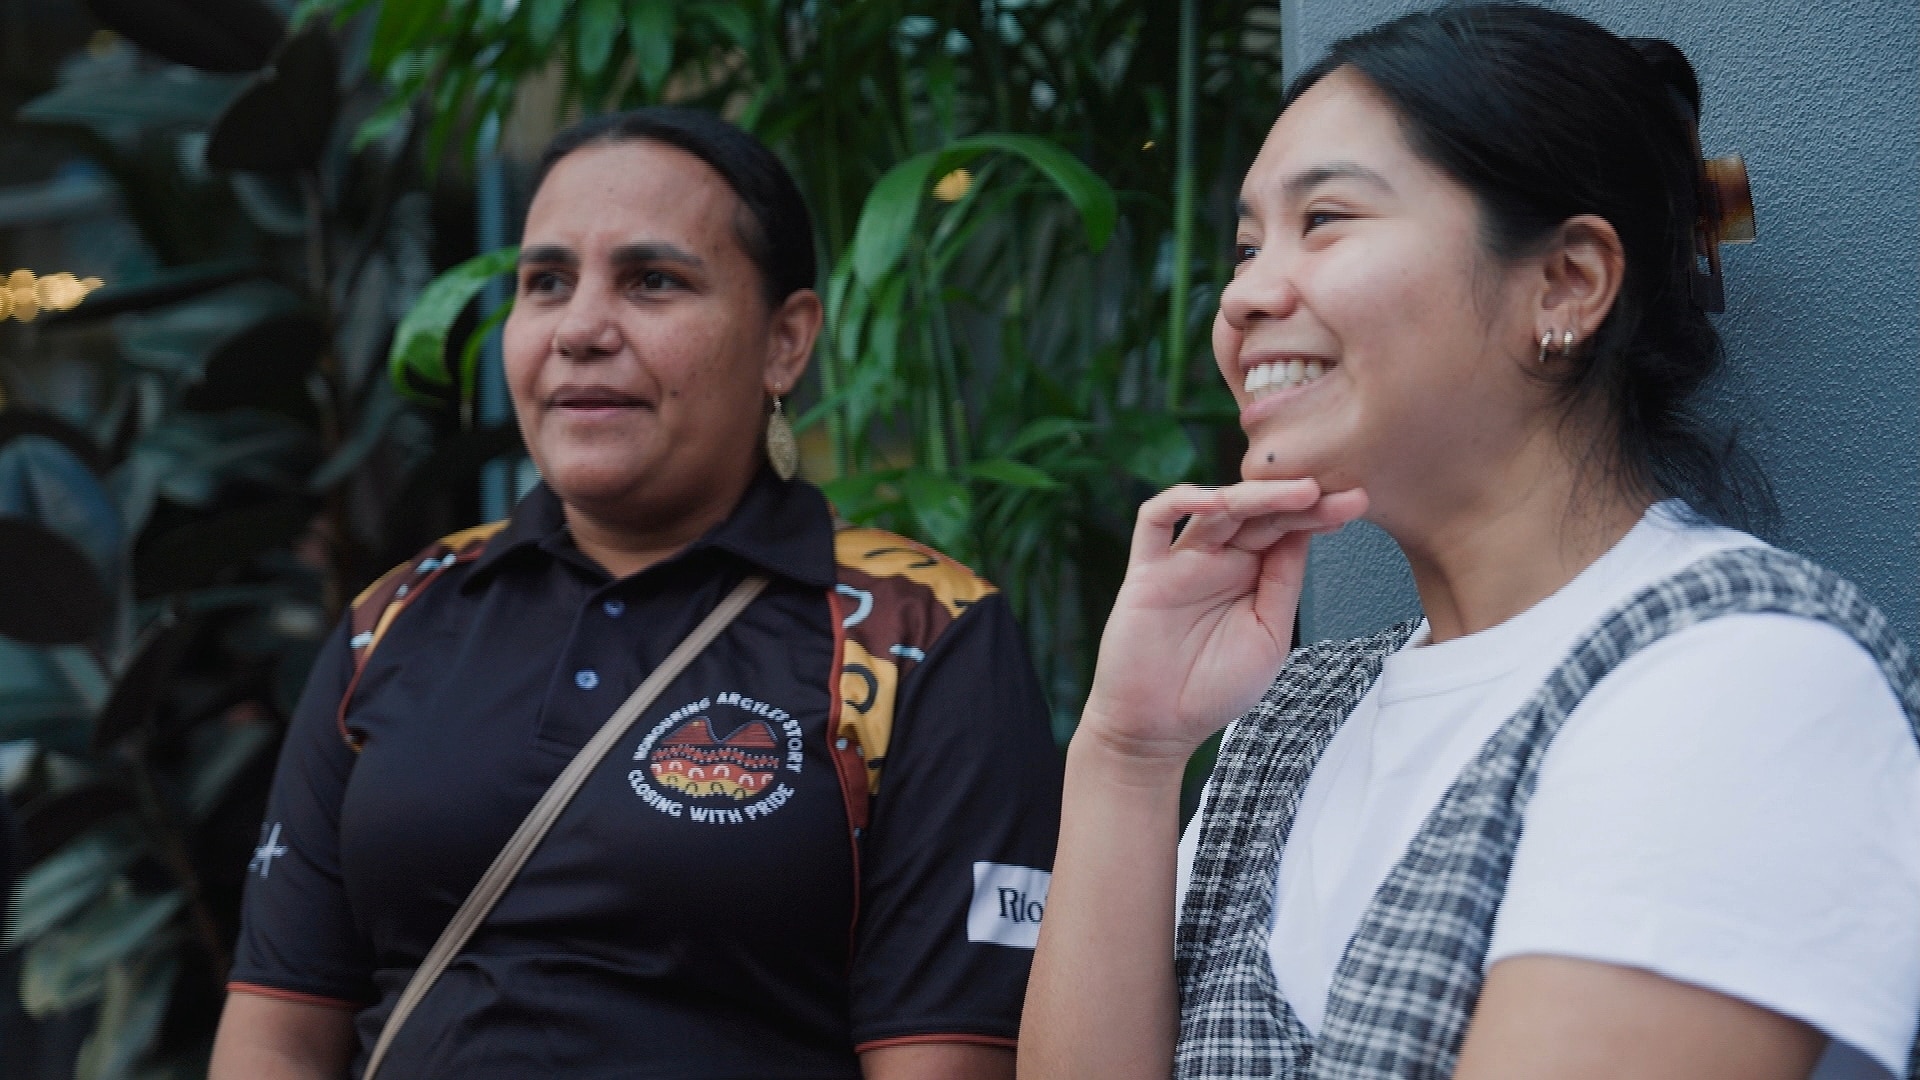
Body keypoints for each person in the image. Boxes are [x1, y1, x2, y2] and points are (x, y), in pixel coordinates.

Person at [1021, 7, 1920, 1080]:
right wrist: (1127, 755)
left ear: (1567, 283)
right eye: (1250, 246)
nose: (1245, 294)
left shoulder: (1751, 680)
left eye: (1328, 220)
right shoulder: (1287, 721)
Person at [210, 107, 1063, 1080]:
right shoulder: (397, 618)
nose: (580, 329)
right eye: (546, 283)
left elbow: (946, 1063)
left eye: (653, 281)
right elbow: (276, 1032)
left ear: (786, 342)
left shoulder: (920, 632)